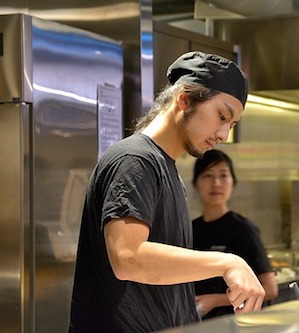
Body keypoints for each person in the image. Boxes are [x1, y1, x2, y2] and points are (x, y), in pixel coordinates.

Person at [69, 51, 265, 333]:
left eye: (231, 125)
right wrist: (228, 262)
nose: (224, 134)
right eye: (222, 116)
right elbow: (128, 256)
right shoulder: (134, 160)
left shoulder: (166, 168)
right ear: (184, 99)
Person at [191, 149, 278, 319]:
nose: (216, 183)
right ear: (196, 183)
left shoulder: (242, 229)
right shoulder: (190, 229)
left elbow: (270, 289)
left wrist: (215, 300)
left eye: (223, 175)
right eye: (208, 175)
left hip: (235, 324)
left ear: (233, 182)